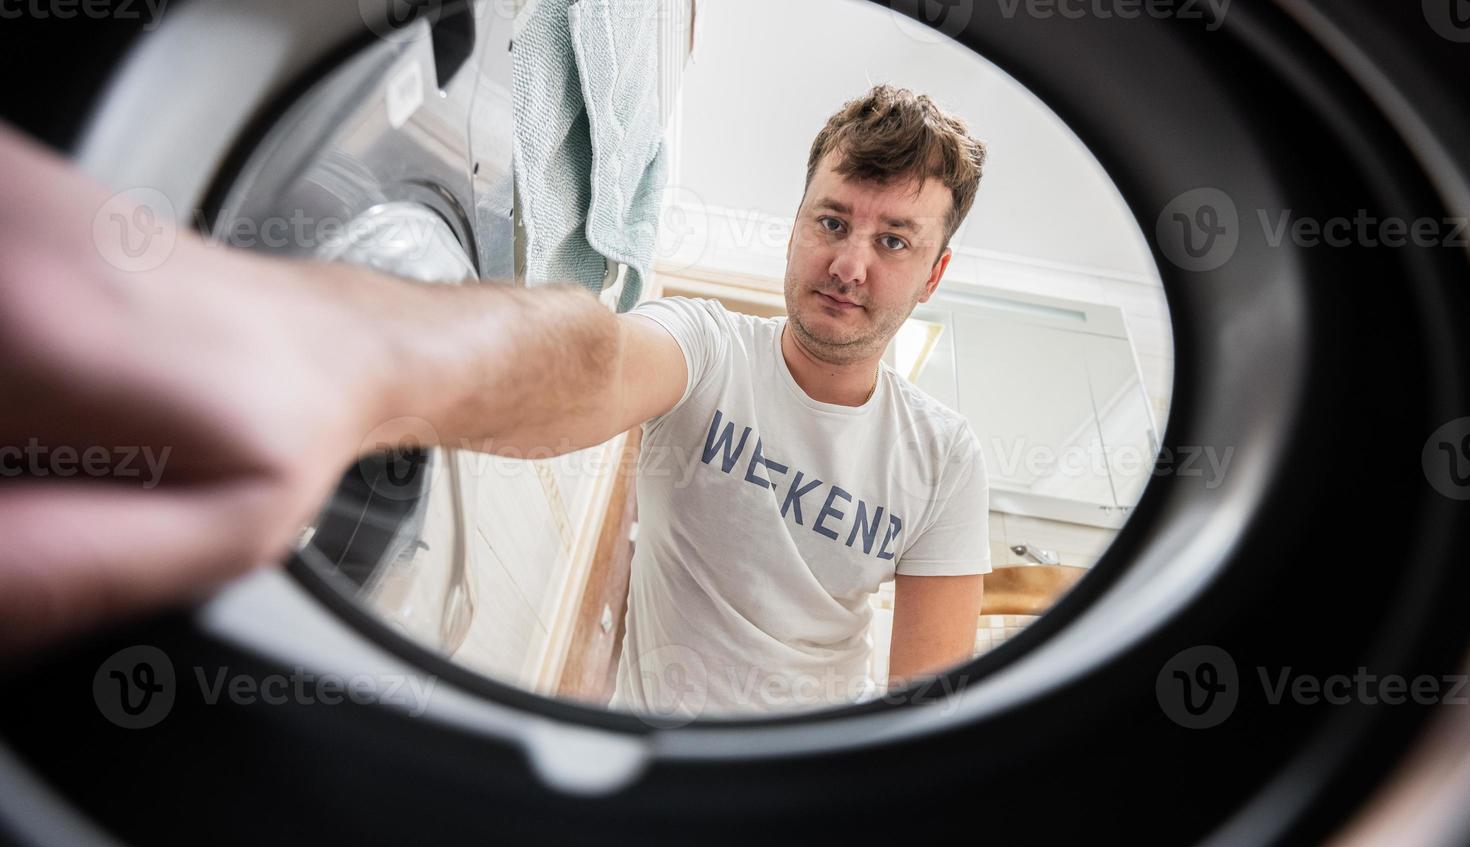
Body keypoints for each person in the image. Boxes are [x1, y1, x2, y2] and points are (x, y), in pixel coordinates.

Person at [0, 83, 990, 717]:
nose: (850, 263)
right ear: (795, 223)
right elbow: (595, 362)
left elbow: (925, 703)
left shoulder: (943, 457)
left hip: (807, 781)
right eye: (831, 220)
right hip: (638, 745)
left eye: (894, 239)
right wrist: (365, 354)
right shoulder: (706, 343)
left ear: (934, 271)